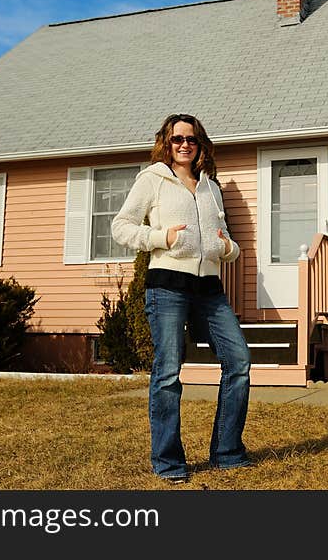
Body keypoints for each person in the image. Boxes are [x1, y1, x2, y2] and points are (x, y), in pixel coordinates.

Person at [111, 113, 251, 483]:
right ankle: (169, 462)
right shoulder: (153, 179)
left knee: (239, 360)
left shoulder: (210, 187)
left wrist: (228, 248)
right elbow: (121, 227)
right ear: (166, 143)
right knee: (169, 374)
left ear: (200, 143)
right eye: (177, 139)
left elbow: (226, 242)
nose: (185, 145)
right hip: (168, 287)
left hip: (209, 291)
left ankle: (227, 452)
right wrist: (162, 239)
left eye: (191, 139)